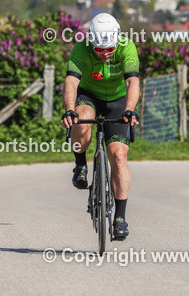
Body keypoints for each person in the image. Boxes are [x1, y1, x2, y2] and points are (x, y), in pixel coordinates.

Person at [60, 12, 140, 240]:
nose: (105, 54)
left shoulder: (127, 47)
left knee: (118, 155)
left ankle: (120, 218)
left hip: (118, 101)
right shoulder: (81, 48)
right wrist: (69, 109)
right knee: (81, 122)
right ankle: (80, 166)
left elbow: (132, 80)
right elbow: (71, 81)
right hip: (89, 96)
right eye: (99, 50)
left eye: (109, 49)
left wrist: (130, 109)